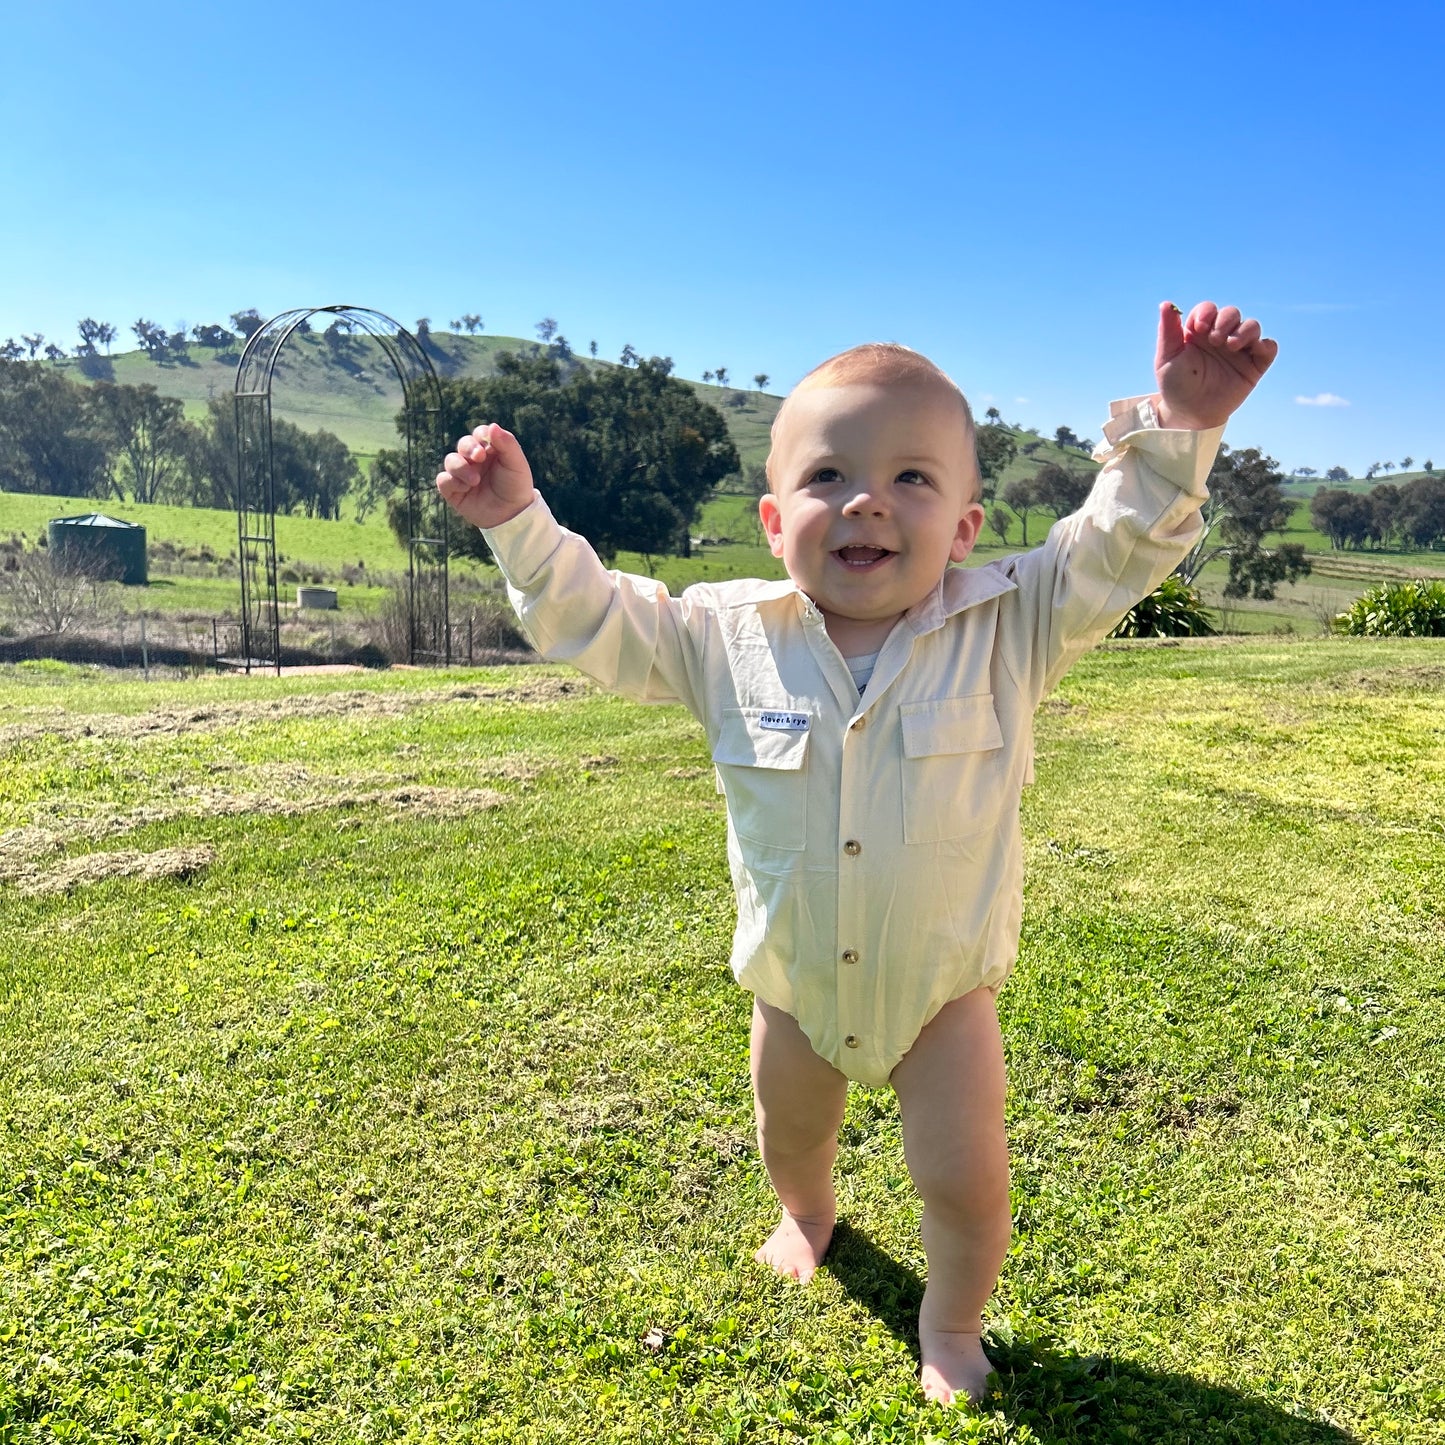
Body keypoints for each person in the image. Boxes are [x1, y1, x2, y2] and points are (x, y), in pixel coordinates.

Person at [436, 300, 1277, 1406]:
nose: (868, 499)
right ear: (775, 518)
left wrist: (1178, 425)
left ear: (967, 527)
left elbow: (1113, 545)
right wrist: (519, 523)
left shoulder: (1011, 624)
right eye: (829, 475)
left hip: (940, 995)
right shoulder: (718, 637)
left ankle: (950, 1321)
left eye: (912, 479)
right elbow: (593, 616)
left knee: (964, 1181)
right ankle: (808, 1212)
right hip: (789, 985)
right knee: (788, 1135)